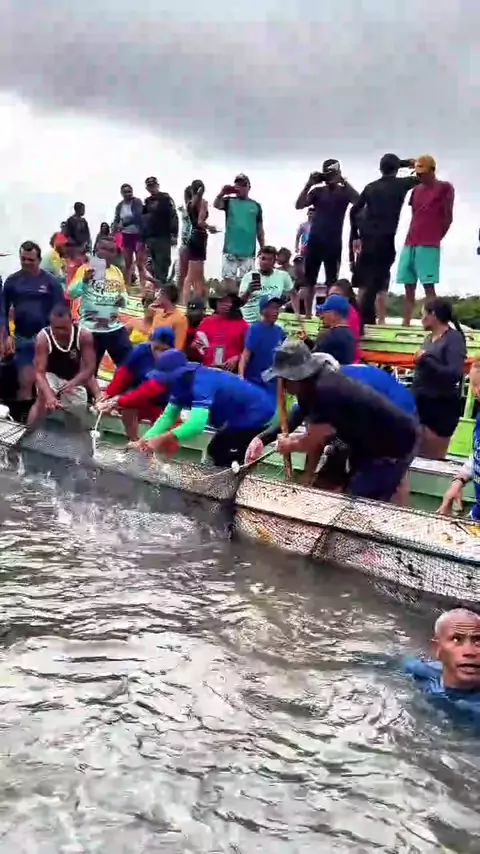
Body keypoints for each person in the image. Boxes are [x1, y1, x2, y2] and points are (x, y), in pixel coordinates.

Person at [247, 340, 417, 501]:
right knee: (357, 474)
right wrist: (262, 438)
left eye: (283, 380)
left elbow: (315, 440)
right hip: (366, 432)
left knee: (360, 501)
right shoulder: (311, 385)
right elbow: (299, 417)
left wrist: (289, 445)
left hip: (394, 439)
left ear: (294, 378)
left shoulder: (325, 389)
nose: (281, 386)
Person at [131, 349, 276, 466]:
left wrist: (159, 440)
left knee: (219, 450)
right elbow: (168, 417)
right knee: (218, 450)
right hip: (234, 416)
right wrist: (144, 440)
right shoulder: (179, 384)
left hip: (257, 412)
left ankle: (225, 484)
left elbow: (196, 425)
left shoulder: (202, 382)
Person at [350, 154, 417, 326]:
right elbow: (422, 174)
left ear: (380, 169)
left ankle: (358, 318)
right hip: (385, 238)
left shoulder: (370, 187)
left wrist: (355, 235)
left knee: (364, 282)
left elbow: (354, 211)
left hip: (367, 237)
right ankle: (376, 320)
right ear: (396, 169)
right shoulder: (401, 184)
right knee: (380, 281)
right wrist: (406, 163)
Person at [0, 241, 65, 409]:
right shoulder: (12, 281)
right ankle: (23, 415)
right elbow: (2, 312)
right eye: (23, 259)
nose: (26, 263)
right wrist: (6, 336)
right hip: (22, 338)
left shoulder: (51, 283)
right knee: (25, 382)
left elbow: (61, 313)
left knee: (44, 384)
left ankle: (41, 414)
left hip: (46, 338)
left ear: (39, 260)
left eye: (31, 260)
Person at [295, 159, 359, 317]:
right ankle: (308, 315)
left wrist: (343, 181)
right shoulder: (317, 191)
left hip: (333, 242)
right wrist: (309, 184)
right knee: (309, 281)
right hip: (315, 241)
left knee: (332, 282)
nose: (329, 177)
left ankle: (329, 314)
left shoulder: (344, 192)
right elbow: (299, 205)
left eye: (332, 174)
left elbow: (358, 201)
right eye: (327, 174)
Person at [396, 156, 455, 326]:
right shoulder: (415, 190)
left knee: (428, 285)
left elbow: (448, 216)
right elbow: (415, 214)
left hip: (429, 243)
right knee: (408, 284)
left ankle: (435, 322)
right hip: (410, 241)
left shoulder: (444, 187)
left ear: (432, 170)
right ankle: (406, 322)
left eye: (423, 172)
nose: (420, 176)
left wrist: (436, 236)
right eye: (418, 173)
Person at [27, 303, 99, 428]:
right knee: (42, 399)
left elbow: (90, 367)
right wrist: (49, 395)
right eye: (56, 328)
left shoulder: (84, 335)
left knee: (77, 408)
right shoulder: (43, 337)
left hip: (74, 375)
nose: (60, 332)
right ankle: (29, 431)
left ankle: (73, 434)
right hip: (50, 374)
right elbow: (39, 372)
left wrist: (74, 382)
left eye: (64, 328)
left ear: (72, 322)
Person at [96, 328, 174, 441]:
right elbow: (124, 373)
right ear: (150, 343)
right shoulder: (141, 350)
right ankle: (133, 441)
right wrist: (108, 394)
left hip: (161, 402)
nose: (159, 354)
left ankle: (150, 445)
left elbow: (149, 390)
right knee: (128, 408)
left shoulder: (172, 362)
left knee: (162, 435)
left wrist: (117, 401)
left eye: (164, 350)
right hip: (137, 394)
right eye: (156, 348)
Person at [412, 298, 466, 459]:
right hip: (420, 402)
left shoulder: (454, 338)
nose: (421, 319)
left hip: (440, 406)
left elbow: (454, 374)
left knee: (432, 458)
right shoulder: (428, 339)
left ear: (433, 315)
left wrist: (426, 359)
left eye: (423, 315)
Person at [68, 236, 131, 370]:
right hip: (91, 329)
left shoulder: (116, 271)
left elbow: (124, 295)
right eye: (103, 249)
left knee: (129, 366)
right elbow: (71, 293)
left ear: (115, 253)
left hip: (113, 327)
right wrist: (84, 281)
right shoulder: (86, 269)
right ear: (96, 249)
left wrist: (122, 300)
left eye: (111, 250)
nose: (106, 253)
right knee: (88, 370)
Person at [404, 610, 480, 710]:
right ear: (436, 648)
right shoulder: (419, 671)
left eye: (478, 641)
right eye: (456, 639)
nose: (469, 652)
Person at [213, 174, 264, 285]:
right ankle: (231, 296)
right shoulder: (229, 201)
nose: (240, 188)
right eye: (238, 185)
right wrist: (222, 193)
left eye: (243, 185)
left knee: (246, 284)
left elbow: (260, 229)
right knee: (228, 283)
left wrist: (263, 247)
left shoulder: (256, 206)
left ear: (249, 187)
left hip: (248, 252)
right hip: (230, 251)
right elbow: (216, 204)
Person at [239, 295, 286, 399]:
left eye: (277, 308)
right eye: (272, 308)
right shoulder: (254, 329)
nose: (275, 311)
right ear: (263, 311)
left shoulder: (280, 332)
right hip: (255, 382)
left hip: (273, 384)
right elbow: (246, 354)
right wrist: (241, 377)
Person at [193, 283, 247, 370]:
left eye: (228, 301)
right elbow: (195, 347)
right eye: (221, 301)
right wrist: (195, 345)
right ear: (215, 302)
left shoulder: (242, 324)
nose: (225, 304)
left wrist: (237, 358)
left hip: (231, 372)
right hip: (208, 370)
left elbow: (248, 351)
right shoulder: (206, 322)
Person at [239, 246, 293, 324]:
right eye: (263, 258)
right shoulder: (248, 276)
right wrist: (248, 291)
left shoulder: (282, 275)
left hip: (271, 322)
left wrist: (296, 313)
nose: (266, 262)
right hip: (249, 322)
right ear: (259, 259)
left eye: (270, 259)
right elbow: (240, 303)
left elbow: (294, 294)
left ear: (274, 261)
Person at [184, 180, 218, 300]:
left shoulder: (189, 203)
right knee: (195, 276)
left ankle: (191, 300)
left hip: (193, 236)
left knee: (194, 275)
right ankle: (192, 302)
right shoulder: (202, 202)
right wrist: (211, 227)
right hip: (199, 237)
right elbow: (200, 222)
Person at [142, 176, 178, 285]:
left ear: (157, 185)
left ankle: (163, 285)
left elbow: (173, 216)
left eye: (153, 185)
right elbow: (143, 219)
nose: (152, 188)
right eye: (149, 186)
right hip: (150, 237)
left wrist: (174, 234)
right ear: (147, 188)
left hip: (163, 236)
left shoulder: (166, 199)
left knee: (163, 262)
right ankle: (157, 284)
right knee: (150, 264)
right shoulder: (147, 202)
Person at [304, 294, 357, 365]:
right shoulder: (350, 334)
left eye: (324, 312)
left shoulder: (328, 336)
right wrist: (307, 341)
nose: (321, 317)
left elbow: (312, 361)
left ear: (333, 314)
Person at [113, 183, 145, 290]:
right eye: (125, 192)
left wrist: (124, 223)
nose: (128, 194)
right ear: (122, 193)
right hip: (126, 235)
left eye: (129, 191)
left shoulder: (137, 202)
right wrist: (115, 228)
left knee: (140, 263)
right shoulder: (120, 206)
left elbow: (138, 216)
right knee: (128, 263)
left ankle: (143, 287)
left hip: (138, 235)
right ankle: (127, 287)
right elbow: (116, 219)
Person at [328, 279, 362, 361]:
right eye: (330, 296)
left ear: (347, 298)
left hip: (347, 360)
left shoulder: (349, 314)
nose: (331, 299)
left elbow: (346, 342)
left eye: (336, 295)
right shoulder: (333, 312)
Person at [151, 283, 188, 350]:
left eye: (160, 295)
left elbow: (178, 347)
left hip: (166, 353)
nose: (158, 298)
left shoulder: (180, 318)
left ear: (165, 297)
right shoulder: (158, 314)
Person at [177, 187, 193, 298]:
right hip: (187, 243)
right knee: (183, 273)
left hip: (189, 243)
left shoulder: (191, 209)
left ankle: (182, 297)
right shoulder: (187, 208)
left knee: (185, 274)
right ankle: (180, 297)